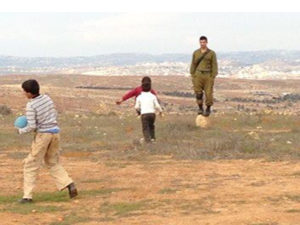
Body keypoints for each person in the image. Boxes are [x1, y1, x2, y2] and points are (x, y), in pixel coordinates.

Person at [17, 79, 78, 203]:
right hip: (55, 133)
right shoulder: (47, 98)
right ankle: (68, 183)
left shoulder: (31, 105)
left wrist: (20, 130)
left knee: (31, 164)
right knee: (52, 162)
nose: (24, 94)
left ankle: (27, 196)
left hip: (43, 135)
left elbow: (32, 126)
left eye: (24, 91)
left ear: (29, 93)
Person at [190, 36, 218, 116]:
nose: (202, 44)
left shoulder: (211, 53)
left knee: (209, 93)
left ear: (206, 42)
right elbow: (193, 64)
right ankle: (200, 107)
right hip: (198, 74)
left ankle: (208, 108)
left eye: (204, 42)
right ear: (199, 43)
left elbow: (214, 65)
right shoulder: (196, 53)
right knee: (198, 93)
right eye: (201, 42)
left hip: (208, 74)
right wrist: (193, 74)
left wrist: (213, 76)